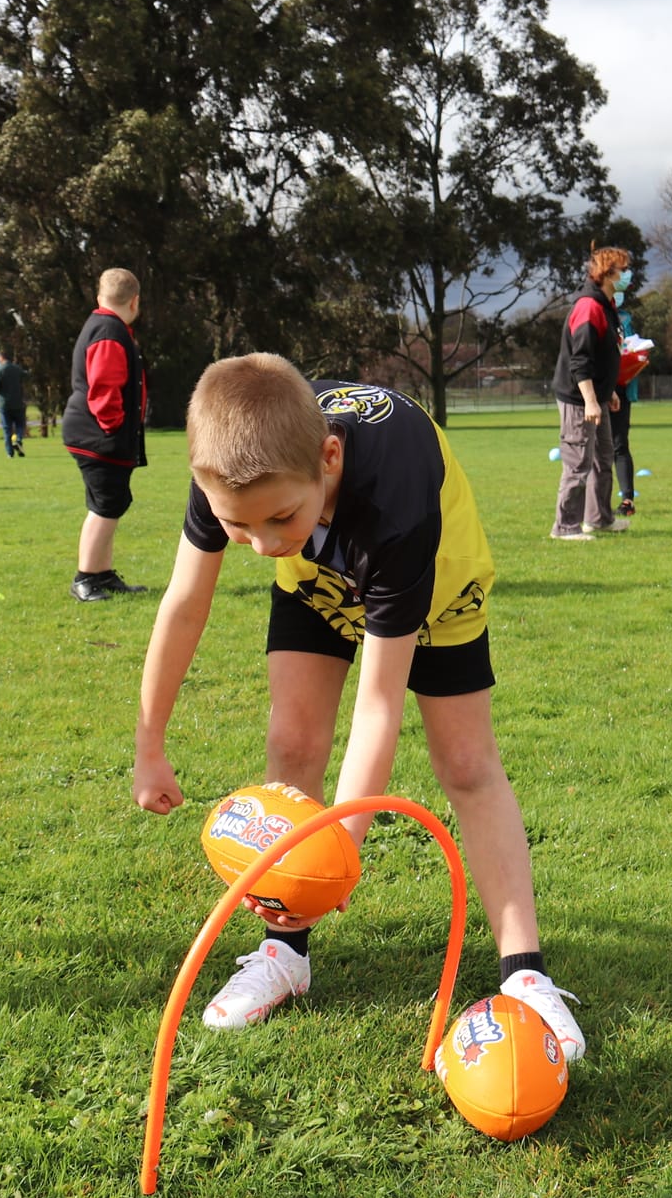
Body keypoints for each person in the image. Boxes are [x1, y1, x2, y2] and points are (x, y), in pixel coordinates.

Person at [132, 355, 586, 1059]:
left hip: (433, 586)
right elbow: (185, 603)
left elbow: (378, 705)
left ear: (329, 458)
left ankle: (524, 974)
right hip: (319, 582)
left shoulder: (393, 499)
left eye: (279, 517)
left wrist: (338, 853)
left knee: (467, 764)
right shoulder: (230, 463)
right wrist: (150, 745)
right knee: (292, 741)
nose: (263, 544)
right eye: (237, 525)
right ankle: (285, 952)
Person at [62, 267, 151, 602]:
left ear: (100, 296)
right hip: (99, 436)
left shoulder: (105, 327)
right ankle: (85, 578)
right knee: (106, 505)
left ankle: (102, 574)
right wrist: (113, 428)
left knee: (110, 502)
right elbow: (104, 388)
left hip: (95, 435)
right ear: (135, 301)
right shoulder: (109, 332)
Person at [550, 247, 631, 540]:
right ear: (607, 273)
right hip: (579, 399)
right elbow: (580, 360)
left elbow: (605, 353)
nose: (627, 275)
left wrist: (608, 392)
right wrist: (590, 400)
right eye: (623, 270)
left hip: (598, 397)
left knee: (603, 458)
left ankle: (599, 519)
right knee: (578, 462)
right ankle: (565, 527)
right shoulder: (589, 307)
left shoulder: (606, 305)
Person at [613, 293, 641, 518]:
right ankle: (593, 502)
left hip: (621, 388)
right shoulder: (593, 314)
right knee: (596, 448)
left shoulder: (625, 320)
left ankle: (627, 500)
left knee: (620, 445)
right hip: (597, 389)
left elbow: (633, 349)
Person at [0, 351, 28, 458]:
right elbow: (25, 376)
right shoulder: (17, 369)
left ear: (1, 358)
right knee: (20, 425)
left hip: (4, 404)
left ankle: (9, 452)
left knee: (7, 428)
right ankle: (18, 440)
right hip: (18, 403)